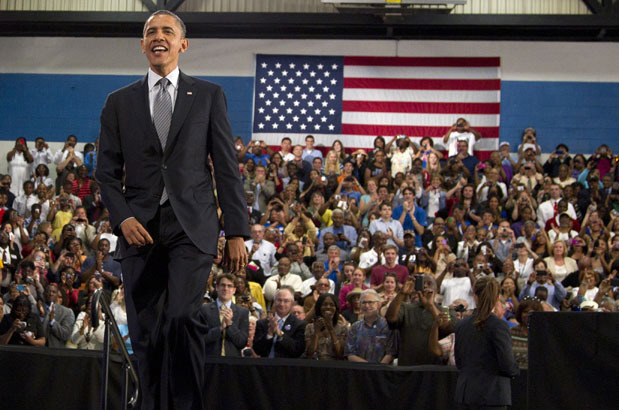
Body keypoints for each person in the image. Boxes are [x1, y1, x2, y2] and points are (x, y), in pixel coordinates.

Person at [95, 10, 249, 410]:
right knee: (147, 332)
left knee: (181, 318)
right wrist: (124, 218)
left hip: (191, 226)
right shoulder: (118, 102)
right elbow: (106, 174)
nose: (157, 37)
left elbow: (226, 168)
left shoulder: (209, 95)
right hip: (139, 230)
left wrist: (236, 231)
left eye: (167, 31)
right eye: (150, 32)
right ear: (143, 45)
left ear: (183, 44)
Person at [454, 276, 520, 409]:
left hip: (466, 396)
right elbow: (507, 364)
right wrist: (516, 370)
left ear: (475, 296)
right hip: (492, 396)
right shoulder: (499, 326)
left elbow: (459, 362)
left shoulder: (462, 325)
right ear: (497, 298)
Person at [386, 274, 456, 365]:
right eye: (422, 284)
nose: (425, 286)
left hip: (436, 370)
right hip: (408, 368)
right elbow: (391, 319)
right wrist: (402, 294)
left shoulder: (447, 310)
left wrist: (430, 306)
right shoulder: (406, 308)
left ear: (436, 290)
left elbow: (448, 329)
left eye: (429, 283)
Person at [200, 273, 249, 357]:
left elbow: (242, 342)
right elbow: (200, 339)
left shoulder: (243, 312)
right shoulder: (204, 310)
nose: (226, 288)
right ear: (217, 287)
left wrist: (230, 324)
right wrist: (220, 329)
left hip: (233, 363)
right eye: (223, 285)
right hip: (210, 361)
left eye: (229, 286)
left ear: (234, 290)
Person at [345, 289, 396, 363]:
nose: (366, 305)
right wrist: (369, 367)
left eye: (370, 302)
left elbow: (391, 353)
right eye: (364, 302)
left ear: (379, 304)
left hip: (383, 371)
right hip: (359, 370)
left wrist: (377, 369)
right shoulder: (355, 327)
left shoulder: (388, 326)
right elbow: (350, 354)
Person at [253, 287, 306, 358]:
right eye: (279, 300)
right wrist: (269, 334)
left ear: (292, 303)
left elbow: (297, 351)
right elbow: (257, 350)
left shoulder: (299, 324)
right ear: (274, 302)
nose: (282, 304)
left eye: (286, 301)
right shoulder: (262, 323)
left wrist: (280, 334)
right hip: (265, 366)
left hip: (287, 366)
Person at [304, 293, 347, 360]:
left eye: (332, 305)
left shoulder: (342, 328)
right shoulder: (310, 327)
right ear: (319, 307)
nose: (328, 307)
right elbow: (309, 354)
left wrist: (331, 330)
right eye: (324, 304)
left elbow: (340, 354)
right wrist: (316, 333)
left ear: (336, 308)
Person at [41, 283, 75, 348]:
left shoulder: (66, 312)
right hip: (36, 351)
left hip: (55, 352)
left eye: (54, 292)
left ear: (57, 295)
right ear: (44, 294)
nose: (51, 294)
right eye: (48, 291)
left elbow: (66, 335)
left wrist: (52, 321)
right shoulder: (35, 308)